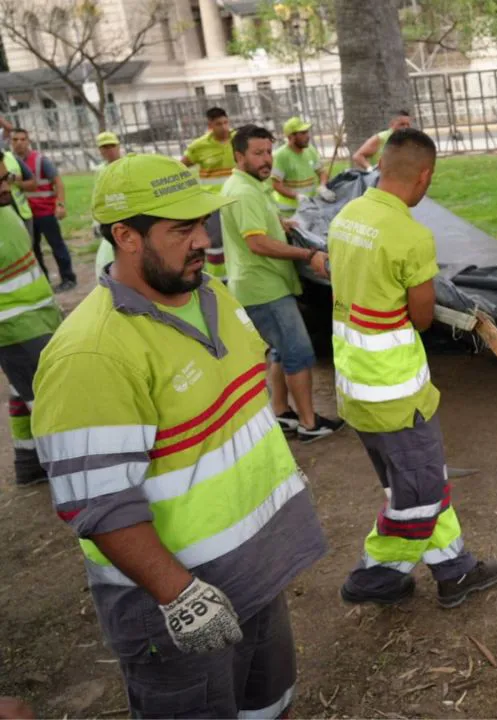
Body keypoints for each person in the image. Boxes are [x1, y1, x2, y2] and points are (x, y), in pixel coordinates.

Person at [31, 153, 327, 718]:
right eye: (180, 229)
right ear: (126, 236)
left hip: (255, 572)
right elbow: (98, 503)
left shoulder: (212, 294)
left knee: (271, 706)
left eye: (202, 224)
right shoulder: (91, 354)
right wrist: (181, 596)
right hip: (180, 605)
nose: (202, 240)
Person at [330, 128, 497, 607]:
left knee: (416, 479)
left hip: (355, 386)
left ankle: (455, 570)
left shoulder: (346, 216)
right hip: (396, 391)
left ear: (381, 166)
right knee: (420, 495)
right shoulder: (410, 235)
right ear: (424, 176)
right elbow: (422, 316)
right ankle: (373, 576)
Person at [221, 124, 343, 442]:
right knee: (298, 353)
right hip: (264, 289)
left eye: (268, 152)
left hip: (263, 284)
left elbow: (259, 230)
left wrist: (280, 224)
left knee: (278, 351)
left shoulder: (248, 185)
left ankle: (281, 412)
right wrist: (308, 254)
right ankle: (308, 422)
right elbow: (257, 243)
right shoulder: (244, 192)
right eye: (258, 153)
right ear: (238, 156)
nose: (266, 160)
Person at [0, 167, 61, 486]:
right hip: (15, 326)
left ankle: (28, 462)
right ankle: (66, 471)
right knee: (50, 398)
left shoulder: (4, 207)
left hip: (36, 317)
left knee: (22, 389)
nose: (6, 185)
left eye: (5, 177)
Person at [10, 128, 75, 292]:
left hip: (45, 211)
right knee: (34, 249)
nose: (19, 143)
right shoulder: (10, 162)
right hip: (26, 214)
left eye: (22, 139)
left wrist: (60, 204)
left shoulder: (40, 160)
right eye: (15, 140)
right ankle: (44, 281)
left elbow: (58, 183)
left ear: (28, 141)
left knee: (57, 245)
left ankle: (68, 278)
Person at [181, 107, 235, 280]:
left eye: (226, 122)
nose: (224, 127)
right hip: (213, 205)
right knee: (215, 244)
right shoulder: (199, 146)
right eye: (219, 124)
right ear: (210, 125)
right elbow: (180, 168)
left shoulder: (238, 140)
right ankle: (219, 280)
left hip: (236, 200)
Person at [271, 116, 335, 217]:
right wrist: (296, 196)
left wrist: (322, 186)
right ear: (291, 137)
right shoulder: (280, 156)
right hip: (290, 211)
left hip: (310, 206)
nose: (308, 136)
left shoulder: (310, 150)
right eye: (303, 133)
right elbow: (276, 184)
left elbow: (321, 172)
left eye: (307, 132)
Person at [93, 131, 125, 277]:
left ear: (118, 146)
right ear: (100, 150)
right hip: (109, 217)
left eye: (112, 146)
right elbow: (98, 196)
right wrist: (95, 221)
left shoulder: (128, 165)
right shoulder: (100, 170)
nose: (109, 150)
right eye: (104, 147)